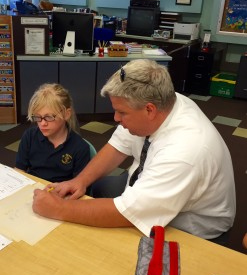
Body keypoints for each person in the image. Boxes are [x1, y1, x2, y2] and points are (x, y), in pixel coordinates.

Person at [32, 59, 236, 243]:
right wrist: (80, 181)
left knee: (115, 248)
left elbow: (127, 213)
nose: (115, 118)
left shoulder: (185, 151)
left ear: (149, 110)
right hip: (148, 178)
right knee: (100, 187)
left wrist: (59, 209)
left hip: (192, 226)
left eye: (122, 112)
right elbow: (117, 146)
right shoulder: (164, 101)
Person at [16, 83, 90, 183]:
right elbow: (20, 170)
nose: (42, 123)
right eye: (37, 117)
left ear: (66, 114)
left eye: (49, 117)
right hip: (33, 189)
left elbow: (79, 186)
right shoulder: (29, 136)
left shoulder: (80, 148)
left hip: (61, 194)